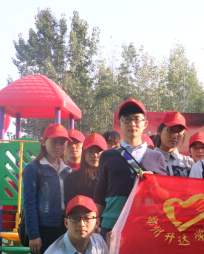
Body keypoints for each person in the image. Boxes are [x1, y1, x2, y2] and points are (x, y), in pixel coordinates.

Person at [94, 98, 166, 239]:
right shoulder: (108, 156)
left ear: (145, 124)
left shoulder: (157, 157)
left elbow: (163, 197)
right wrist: (95, 224)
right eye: (127, 119)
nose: (132, 124)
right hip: (111, 226)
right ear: (119, 123)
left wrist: (154, 183)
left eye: (137, 119)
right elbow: (100, 192)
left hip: (145, 226)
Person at [23, 123, 72, 254]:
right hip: (43, 230)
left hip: (64, 229)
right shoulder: (33, 168)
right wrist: (33, 235)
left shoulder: (68, 170)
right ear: (43, 142)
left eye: (62, 142)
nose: (58, 146)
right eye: (54, 142)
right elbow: (29, 203)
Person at [64, 133, 106, 206]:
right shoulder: (72, 178)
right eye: (90, 151)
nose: (94, 155)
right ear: (84, 153)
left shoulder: (110, 178)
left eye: (98, 151)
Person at [154, 111, 195, 177]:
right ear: (160, 131)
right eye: (170, 130)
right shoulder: (148, 159)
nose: (174, 136)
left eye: (179, 131)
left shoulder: (188, 163)